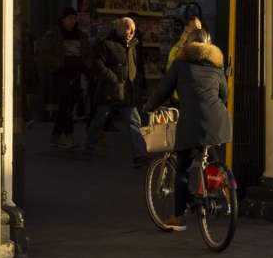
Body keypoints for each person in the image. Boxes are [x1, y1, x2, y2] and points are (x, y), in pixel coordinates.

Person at [145, 28, 232, 232]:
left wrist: (149, 106)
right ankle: (216, 196)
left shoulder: (181, 64)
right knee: (213, 158)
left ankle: (177, 217)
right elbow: (224, 94)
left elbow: (163, 89)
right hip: (218, 119)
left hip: (192, 121)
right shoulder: (216, 66)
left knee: (183, 167)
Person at [83, 16, 148, 167]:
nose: (131, 32)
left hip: (127, 91)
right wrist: (113, 78)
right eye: (128, 29)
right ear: (119, 28)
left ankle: (140, 155)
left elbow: (136, 66)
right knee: (100, 120)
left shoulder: (134, 45)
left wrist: (136, 82)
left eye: (132, 30)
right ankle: (89, 148)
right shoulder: (106, 44)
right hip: (110, 90)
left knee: (134, 123)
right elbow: (98, 64)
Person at [40, 7, 89, 149]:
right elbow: (44, 54)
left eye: (74, 18)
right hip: (60, 74)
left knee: (66, 106)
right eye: (70, 18)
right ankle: (68, 136)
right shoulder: (54, 35)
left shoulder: (80, 35)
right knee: (66, 105)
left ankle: (55, 136)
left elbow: (87, 53)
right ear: (63, 19)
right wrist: (58, 64)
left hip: (77, 74)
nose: (73, 21)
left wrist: (85, 66)